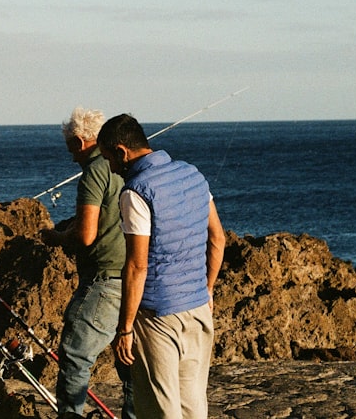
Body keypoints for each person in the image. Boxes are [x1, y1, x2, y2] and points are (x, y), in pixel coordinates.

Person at [97, 114, 226, 419]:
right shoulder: (193, 174)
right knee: (194, 408)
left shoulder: (136, 191)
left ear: (121, 151)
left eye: (108, 159)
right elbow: (217, 238)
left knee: (160, 409)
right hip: (197, 307)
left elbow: (137, 266)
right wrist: (207, 289)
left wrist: (125, 328)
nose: (111, 168)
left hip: (157, 315)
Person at [40, 107, 135, 419]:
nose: (71, 157)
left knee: (74, 355)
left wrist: (56, 237)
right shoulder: (126, 168)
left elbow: (85, 234)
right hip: (134, 276)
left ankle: (70, 414)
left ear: (81, 142)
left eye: (71, 147)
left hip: (104, 279)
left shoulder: (94, 170)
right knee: (129, 361)